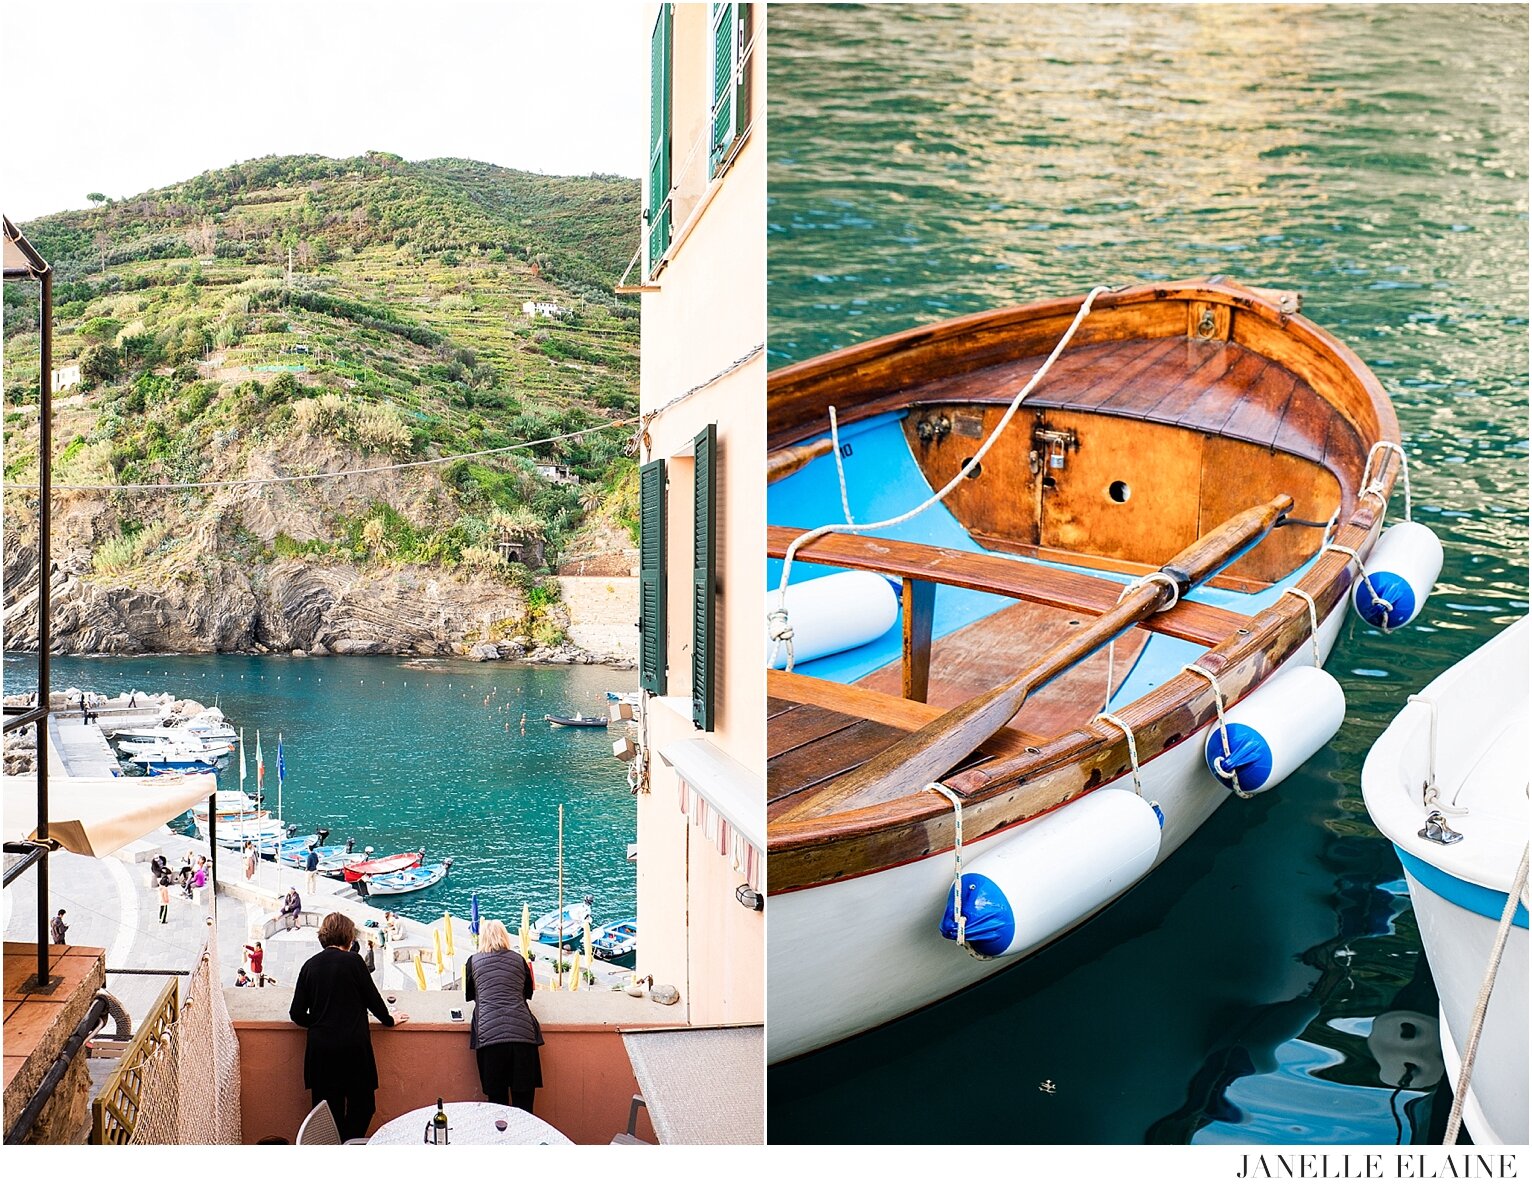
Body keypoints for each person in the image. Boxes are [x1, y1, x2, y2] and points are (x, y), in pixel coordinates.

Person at [288, 912, 408, 1141]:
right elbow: (374, 1002)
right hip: (353, 1050)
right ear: (348, 936)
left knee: (326, 1115)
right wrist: (390, 1020)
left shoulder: (309, 966)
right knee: (363, 1106)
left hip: (321, 1052)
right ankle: (349, 1142)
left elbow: (296, 1013)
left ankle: (336, 1145)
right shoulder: (354, 962)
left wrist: (320, 1022)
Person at [463, 919, 544, 1113]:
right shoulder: (518, 959)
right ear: (505, 936)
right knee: (524, 1108)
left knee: (497, 1105)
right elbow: (527, 993)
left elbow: (471, 995)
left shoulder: (473, 962)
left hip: (489, 1040)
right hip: (523, 1037)